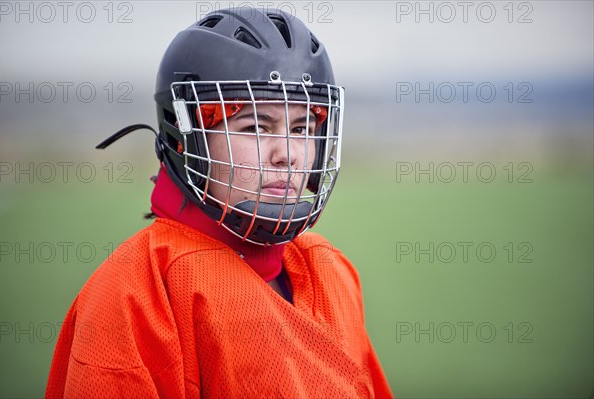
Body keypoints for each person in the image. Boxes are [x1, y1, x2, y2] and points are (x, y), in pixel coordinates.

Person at [46, 7, 394, 398]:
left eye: (301, 128)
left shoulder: (331, 270)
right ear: (186, 139)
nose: (288, 154)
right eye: (256, 127)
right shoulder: (135, 293)